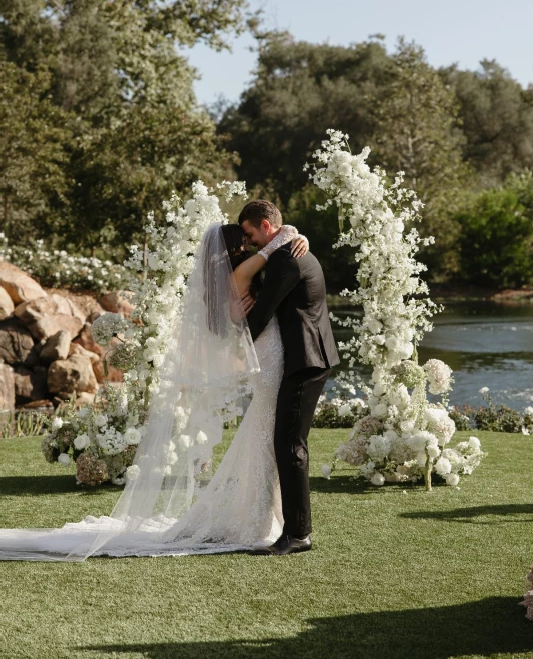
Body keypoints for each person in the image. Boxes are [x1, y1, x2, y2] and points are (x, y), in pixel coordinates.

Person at [0, 221, 314, 560]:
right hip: (269, 363)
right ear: (237, 248)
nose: (253, 244)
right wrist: (286, 236)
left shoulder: (235, 274)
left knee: (266, 441)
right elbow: (265, 267)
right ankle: (272, 523)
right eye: (247, 240)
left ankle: (273, 518)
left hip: (271, 361)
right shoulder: (241, 273)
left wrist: (294, 234)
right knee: (270, 440)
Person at [239, 200, 339, 555]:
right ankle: (295, 530)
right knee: (288, 441)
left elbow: (263, 311)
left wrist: (231, 334)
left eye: (250, 233)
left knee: (290, 444)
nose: (248, 241)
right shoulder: (288, 248)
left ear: (266, 226)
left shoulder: (286, 257)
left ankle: (298, 534)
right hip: (307, 356)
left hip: (306, 359)